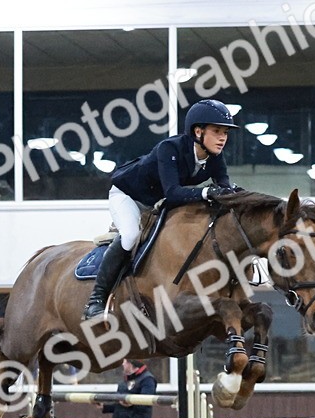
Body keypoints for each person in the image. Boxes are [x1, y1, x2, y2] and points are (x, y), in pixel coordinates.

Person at [82, 99, 242, 321]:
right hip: (129, 196)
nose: (223, 137)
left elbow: (224, 188)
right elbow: (173, 193)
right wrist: (206, 193)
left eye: (225, 132)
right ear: (198, 131)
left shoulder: (215, 158)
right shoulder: (170, 149)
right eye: (217, 131)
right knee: (130, 235)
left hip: (158, 202)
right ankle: (95, 301)